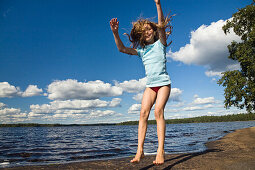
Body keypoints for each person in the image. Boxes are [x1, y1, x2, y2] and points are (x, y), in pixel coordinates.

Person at [110, 0, 172, 165]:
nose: (148, 31)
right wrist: (115, 33)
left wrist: (158, 4)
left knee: (158, 111)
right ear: (141, 35)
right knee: (143, 113)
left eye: (149, 29)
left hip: (164, 83)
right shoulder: (142, 51)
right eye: (144, 31)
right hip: (150, 86)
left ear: (153, 30)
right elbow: (122, 49)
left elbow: (161, 25)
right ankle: (140, 151)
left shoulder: (161, 44)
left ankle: (160, 151)